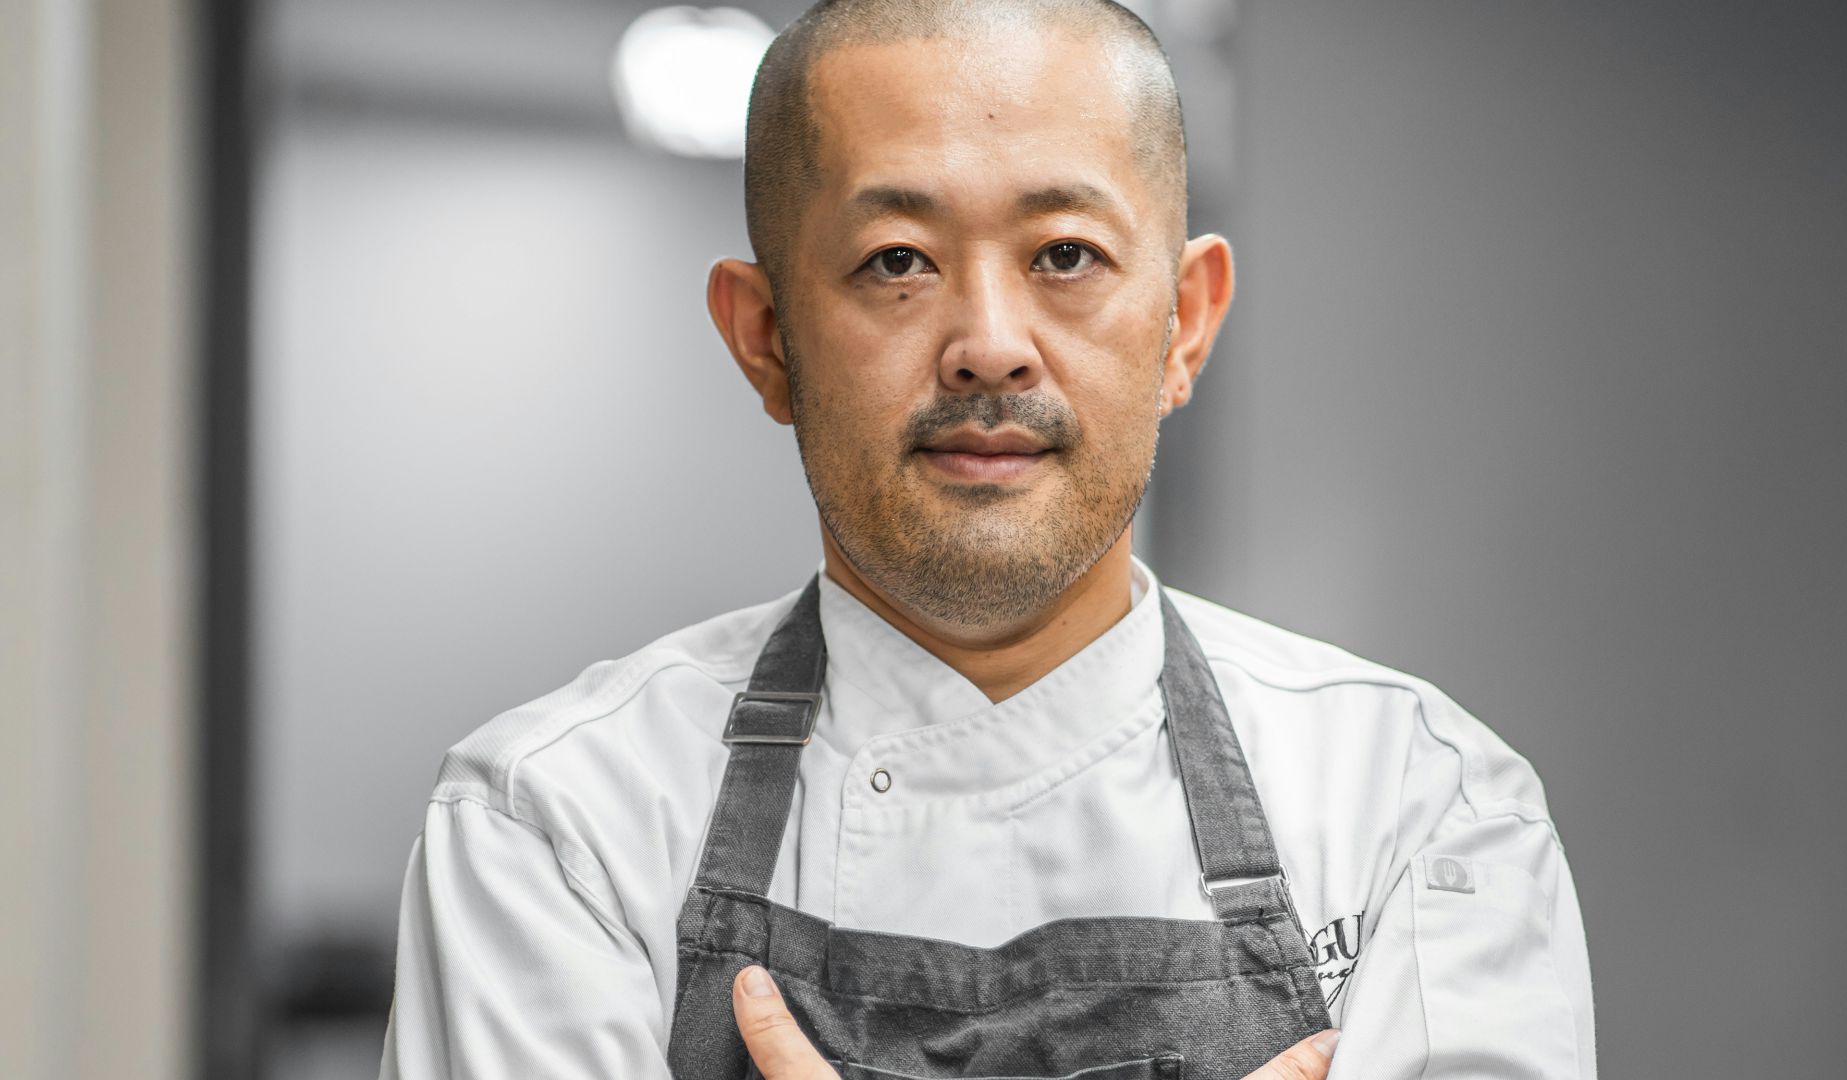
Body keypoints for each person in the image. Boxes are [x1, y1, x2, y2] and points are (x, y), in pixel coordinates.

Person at [378, 1, 1597, 1077]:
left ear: (1184, 324)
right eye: (896, 262)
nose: (990, 346)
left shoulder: (1416, 807)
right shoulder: (558, 824)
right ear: (764, 339)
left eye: (1066, 255)